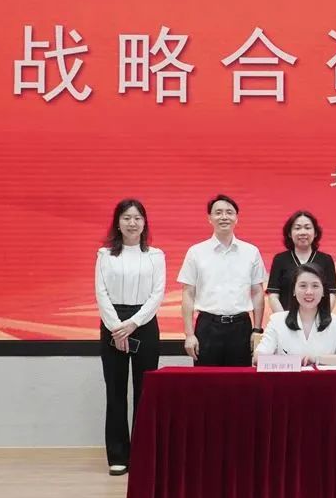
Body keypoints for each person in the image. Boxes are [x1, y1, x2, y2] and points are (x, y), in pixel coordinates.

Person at [94, 198, 165, 476]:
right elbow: (101, 293)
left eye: (137, 218)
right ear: (118, 223)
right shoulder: (105, 255)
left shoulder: (155, 255)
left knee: (145, 391)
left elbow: (157, 294)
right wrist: (117, 326)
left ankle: (143, 453)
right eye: (126, 218)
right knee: (115, 391)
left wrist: (133, 323)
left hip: (144, 323)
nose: (132, 223)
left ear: (144, 223)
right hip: (112, 323)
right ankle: (118, 455)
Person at [178, 194, 267, 367]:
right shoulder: (196, 252)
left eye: (229, 212)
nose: (224, 217)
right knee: (206, 381)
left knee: (240, 381)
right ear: (209, 218)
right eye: (218, 213)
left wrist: (257, 330)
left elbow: (257, 292)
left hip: (241, 327)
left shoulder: (251, 252)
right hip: (207, 327)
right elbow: (188, 293)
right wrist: (189, 334)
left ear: (236, 218)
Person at [254, 264, 336, 366]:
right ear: (294, 290)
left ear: (324, 291)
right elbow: (258, 358)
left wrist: (316, 359)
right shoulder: (277, 321)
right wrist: (294, 361)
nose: (309, 292)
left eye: (315, 286)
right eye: (303, 286)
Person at [266, 210, 336, 313]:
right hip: (287, 318)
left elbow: (331, 294)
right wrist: (283, 319)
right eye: (297, 228)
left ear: (315, 233)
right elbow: (273, 295)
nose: (303, 232)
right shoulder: (280, 259)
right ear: (289, 233)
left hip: (318, 320)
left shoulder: (326, 260)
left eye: (307, 228)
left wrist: (321, 317)